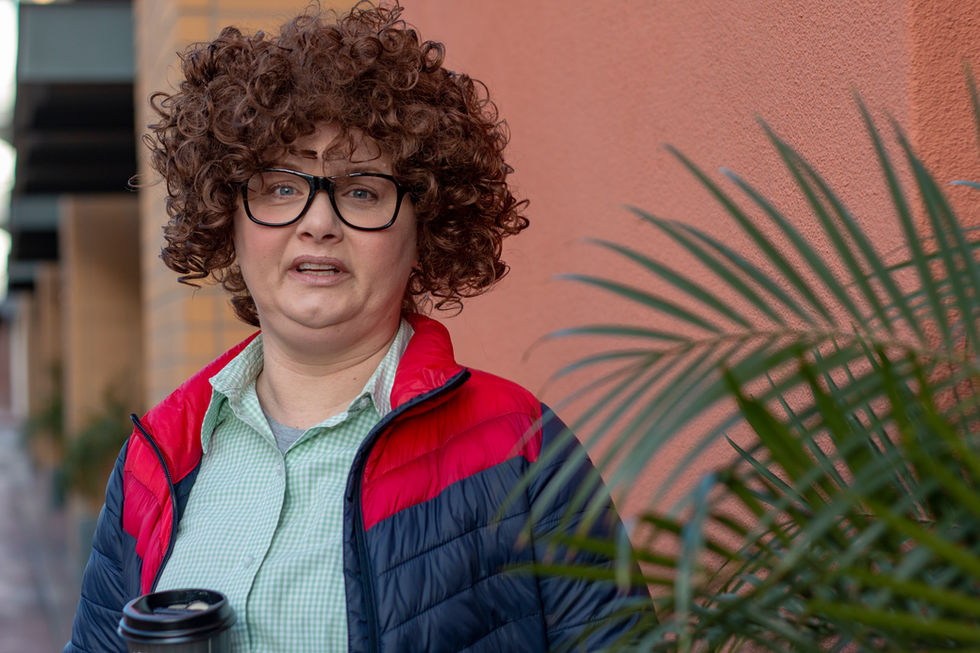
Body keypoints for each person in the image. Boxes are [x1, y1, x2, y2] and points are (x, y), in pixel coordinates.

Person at [64, 4, 647, 652]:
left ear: (425, 227)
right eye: (281, 188)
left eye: (363, 191)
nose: (319, 223)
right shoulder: (155, 459)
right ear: (228, 219)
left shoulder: (519, 445)